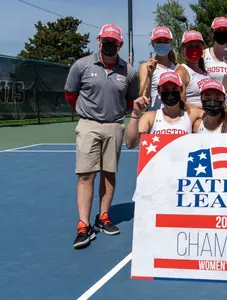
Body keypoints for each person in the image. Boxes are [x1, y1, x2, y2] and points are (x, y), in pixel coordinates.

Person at [64, 24, 139, 249]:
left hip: (114, 126)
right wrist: (87, 114)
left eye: (113, 42)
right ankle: (84, 225)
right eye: (105, 41)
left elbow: (130, 100)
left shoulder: (129, 71)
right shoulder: (82, 65)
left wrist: (113, 115)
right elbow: (70, 94)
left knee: (109, 174)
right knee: (86, 175)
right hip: (88, 125)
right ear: (98, 40)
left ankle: (103, 217)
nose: (109, 45)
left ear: (120, 45)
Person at [125, 72, 204, 149]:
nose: (170, 92)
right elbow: (131, 144)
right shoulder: (150, 117)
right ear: (159, 91)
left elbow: (213, 118)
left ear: (181, 90)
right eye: (165, 89)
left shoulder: (191, 114)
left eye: (174, 88)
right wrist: (135, 115)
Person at [138, 26, 177, 111]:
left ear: (171, 43)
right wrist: (149, 76)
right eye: (159, 41)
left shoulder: (177, 67)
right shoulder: (145, 67)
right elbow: (142, 97)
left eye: (166, 41)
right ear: (153, 43)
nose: (163, 44)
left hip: (174, 116)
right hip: (154, 116)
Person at [176, 30, 211, 108]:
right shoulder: (182, 71)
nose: (194, 50)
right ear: (183, 49)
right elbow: (180, 105)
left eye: (198, 46)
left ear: (202, 49)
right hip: (193, 118)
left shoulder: (204, 72)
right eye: (190, 46)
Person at [204, 17, 227, 83]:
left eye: (225, 31)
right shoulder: (204, 55)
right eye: (218, 30)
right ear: (212, 33)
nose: (221, 33)